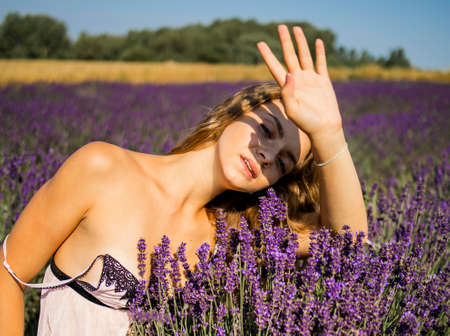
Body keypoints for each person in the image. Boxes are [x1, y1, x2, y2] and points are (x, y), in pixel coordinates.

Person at [0, 25, 368, 335]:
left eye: (283, 162)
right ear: (233, 113)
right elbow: (9, 272)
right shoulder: (102, 168)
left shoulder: (238, 238)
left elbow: (347, 247)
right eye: (268, 131)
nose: (268, 155)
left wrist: (330, 134)